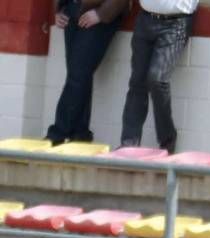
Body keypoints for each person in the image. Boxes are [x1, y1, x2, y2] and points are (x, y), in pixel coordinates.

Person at [45, 0, 129, 146]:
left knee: (78, 74)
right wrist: (59, 8)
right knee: (79, 76)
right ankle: (80, 134)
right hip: (71, 10)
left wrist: (102, 13)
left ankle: (58, 133)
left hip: (97, 10)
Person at [119, 0, 198, 154]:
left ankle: (167, 138)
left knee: (157, 79)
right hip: (145, 19)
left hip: (176, 22)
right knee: (137, 82)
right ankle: (128, 145)